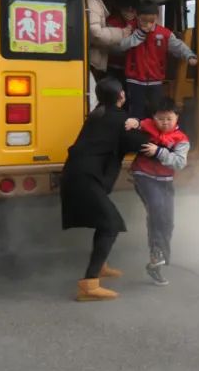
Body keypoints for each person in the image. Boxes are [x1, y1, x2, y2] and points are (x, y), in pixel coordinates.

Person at [61, 77, 150, 302]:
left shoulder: (96, 116)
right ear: (121, 96)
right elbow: (140, 144)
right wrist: (148, 127)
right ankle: (89, 285)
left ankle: (100, 266)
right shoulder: (120, 119)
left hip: (78, 175)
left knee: (104, 222)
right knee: (111, 224)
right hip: (85, 178)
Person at [131, 98, 190, 287]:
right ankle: (156, 252)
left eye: (169, 119)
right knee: (156, 208)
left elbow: (180, 163)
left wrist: (158, 152)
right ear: (153, 118)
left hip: (165, 180)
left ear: (176, 118)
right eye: (160, 119)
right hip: (143, 175)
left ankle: (157, 262)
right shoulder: (145, 126)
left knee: (168, 220)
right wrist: (132, 122)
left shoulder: (182, 140)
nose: (165, 122)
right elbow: (135, 124)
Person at [119, 0, 198, 119]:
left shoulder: (164, 34)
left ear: (156, 17)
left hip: (156, 80)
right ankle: (135, 135)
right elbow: (122, 46)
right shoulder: (129, 29)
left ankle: (156, 136)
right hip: (135, 80)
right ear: (137, 17)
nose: (148, 25)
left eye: (152, 21)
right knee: (136, 111)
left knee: (156, 111)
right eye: (143, 21)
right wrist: (140, 34)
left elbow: (178, 46)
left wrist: (189, 56)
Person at [105, 0, 138, 90]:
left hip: (135, 69)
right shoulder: (110, 22)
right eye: (126, 9)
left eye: (133, 9)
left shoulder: (142, 23)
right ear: (119, 7)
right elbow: (108, 47)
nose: (129, 11)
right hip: (113, 67)